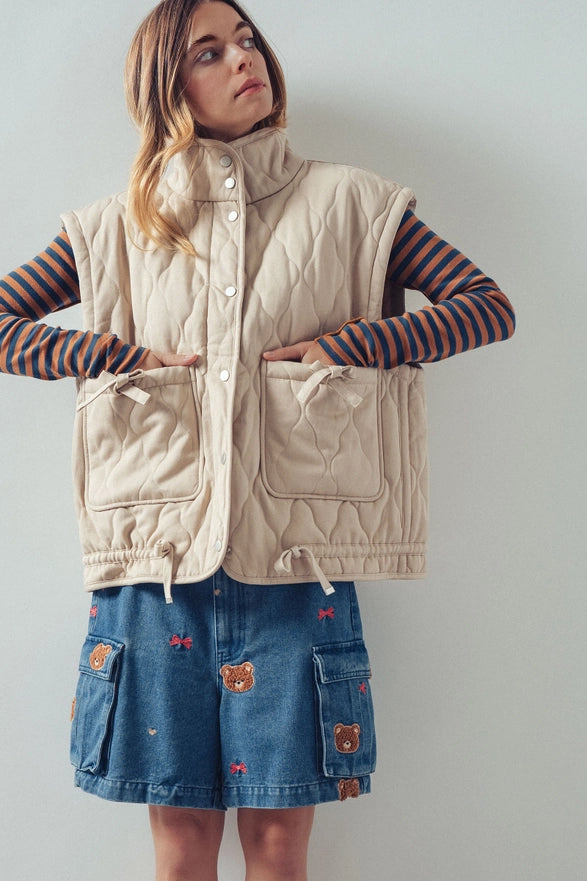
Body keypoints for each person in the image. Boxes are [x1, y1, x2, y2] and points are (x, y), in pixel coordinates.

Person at [0, 1, 515, 879]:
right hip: (156, 567)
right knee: (182, 841)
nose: (244, 58)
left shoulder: (350, 202)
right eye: (210, 50)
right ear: (168, 85)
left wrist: (352, 344)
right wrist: (105, 355)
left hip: (296, 567)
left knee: (278, 845)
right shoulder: (115, 228)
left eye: (246, 40)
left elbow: (484, 306)